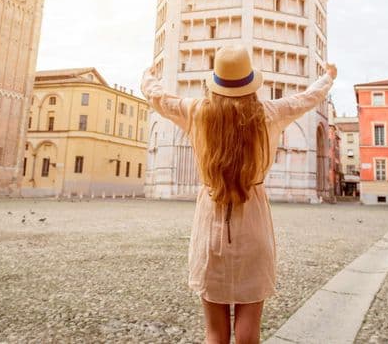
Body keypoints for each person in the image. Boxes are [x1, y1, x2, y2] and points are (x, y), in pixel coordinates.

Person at [141, 44, 336, 344]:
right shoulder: (270, 113)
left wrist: (148, 75)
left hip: (210, 223)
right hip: (254, 221)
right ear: (249, 83)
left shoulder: (197, 113)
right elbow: (306, 99)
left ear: (216, 84)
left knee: (215, 333)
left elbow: (158, 97)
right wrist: (328, 77)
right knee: (249, 329)